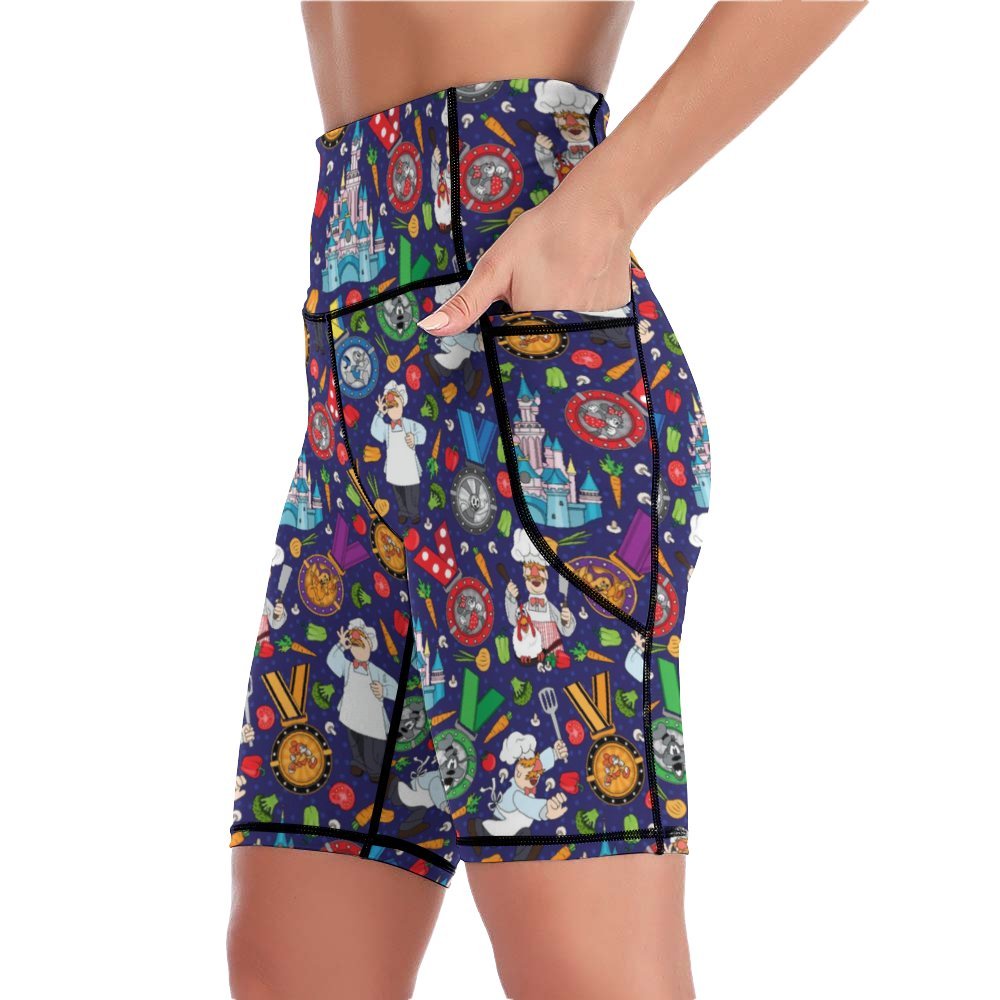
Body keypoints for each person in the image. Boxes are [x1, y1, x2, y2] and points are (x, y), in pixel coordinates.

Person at [227, 3, 867, 998]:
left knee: (579, 961)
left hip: (530, 359)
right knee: (290, 959)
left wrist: (604, 205)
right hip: (359, 375)